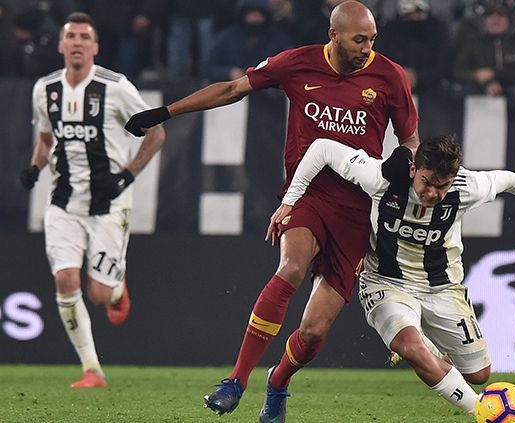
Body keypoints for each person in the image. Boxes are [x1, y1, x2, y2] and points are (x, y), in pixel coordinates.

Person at [125, 1, 418, 420]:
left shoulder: (388, 75)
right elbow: (231, 90)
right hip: (306, 196)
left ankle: (277, 383)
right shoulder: (297, 64)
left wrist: (399, 167)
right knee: (291, 268)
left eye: (372, 39)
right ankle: (236, 381)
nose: (367, 48)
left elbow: (410, 142)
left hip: (357, 209)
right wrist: (165, 113)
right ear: (333, 35)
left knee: (314, 333)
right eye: (359, 40)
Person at [269, 135, 515, 416]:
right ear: (413, 170)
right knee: (411, 346)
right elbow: (323, 149)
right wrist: (289, 201)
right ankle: (479, 410)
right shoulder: (381, 178)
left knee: (479, 374)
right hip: (385, 282)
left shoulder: (466, 188)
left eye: (442, 186)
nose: (433, 193)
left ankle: (429, 350)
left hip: (443, 288)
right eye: (426, 182)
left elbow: (506, 179)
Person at [18, 12, 166, 388]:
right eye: (72, 36)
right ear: (61, 45)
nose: (78, 42)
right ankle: (92, 370)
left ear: (95, 47)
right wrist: (34, 169)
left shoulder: (115, 87)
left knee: (98, 293)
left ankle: (116, 287)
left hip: (109, 203)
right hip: (63, 202)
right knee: (66, 279)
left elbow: (156, 133)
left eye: (85, 36)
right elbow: (46, 138)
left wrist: (129, 174)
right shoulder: (45, 89)